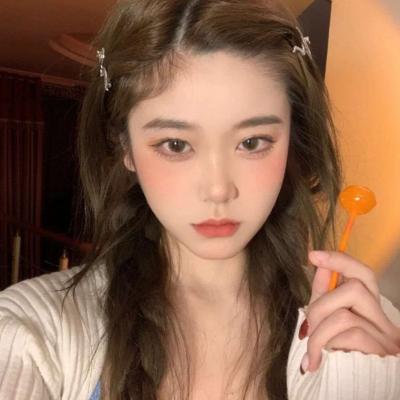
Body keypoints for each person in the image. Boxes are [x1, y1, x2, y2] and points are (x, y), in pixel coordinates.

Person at [1, 0, 399, 399]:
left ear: (292, 142)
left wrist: (365, 380)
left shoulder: (360, 329)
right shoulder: (32, 332)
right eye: (176, 144)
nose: (218, 189)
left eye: (252, 142)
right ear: (125, 147)